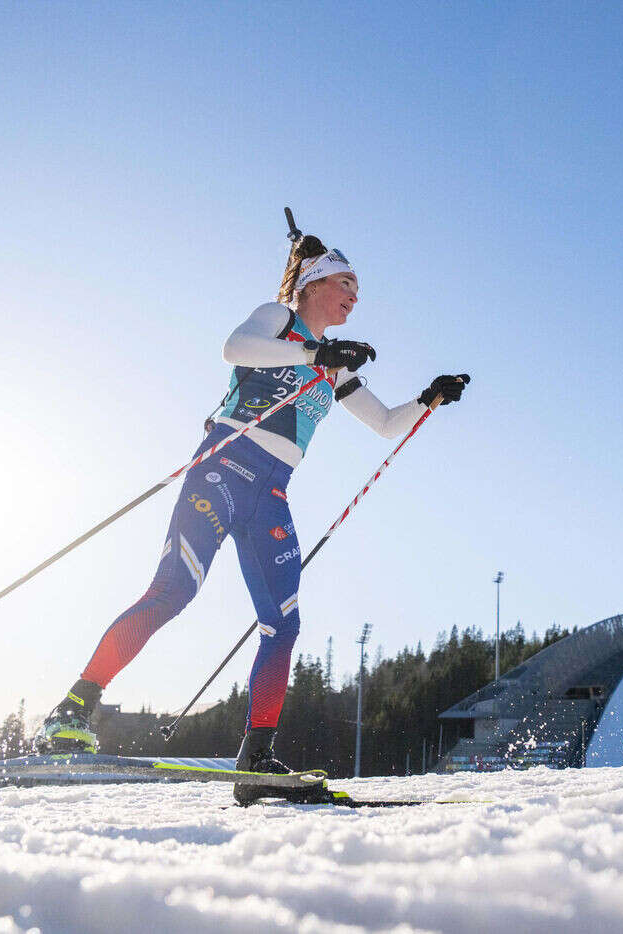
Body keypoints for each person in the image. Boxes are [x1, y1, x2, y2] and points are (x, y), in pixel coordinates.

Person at [35, 230, 468, 804]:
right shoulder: (278, 319)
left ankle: (256, 755)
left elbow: (386, 422)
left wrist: (429, 398)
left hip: (272, 494)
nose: (354, 298)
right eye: (346, 284)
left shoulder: (334, 366)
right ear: (314, 284)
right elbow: (235, 349)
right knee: (173, 592)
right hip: (224, 468)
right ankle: (71, 712)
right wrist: (316, 352)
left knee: (283, 624)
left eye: (357, 291)